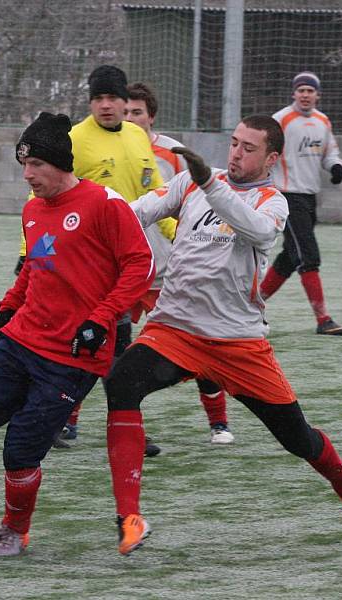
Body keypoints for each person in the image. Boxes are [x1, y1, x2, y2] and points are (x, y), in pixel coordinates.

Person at [103, 115, 342, 556]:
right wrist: (93, 203)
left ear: (271, 158)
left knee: (298, 440)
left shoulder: (274, 202)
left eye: (248, 148)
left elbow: (256, 230)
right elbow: (137, 211)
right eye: (233, 143)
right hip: (174, 329)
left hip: (238, 342)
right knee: (121, 384)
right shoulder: (194, 182)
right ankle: (129, 517)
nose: (236, 153)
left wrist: (209, 186)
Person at [0, 112, 155, 557]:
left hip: (73, 354)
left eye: (36, 166)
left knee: (21, 449)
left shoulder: (105, 204)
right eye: (23, 166)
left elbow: (140, 266)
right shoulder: (32, 209)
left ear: (61, 164)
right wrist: (7, 308)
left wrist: (100, 318)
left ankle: (15, 529)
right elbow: (35, 264)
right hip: (23, 339)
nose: (28, 175)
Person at [19, 66, 166, 452]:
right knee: (75, 345)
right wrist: (27, 255)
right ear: (90, 102)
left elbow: (156, 189)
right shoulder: (75, 139)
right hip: (75, 261)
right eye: (98, 98)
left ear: (125, 101)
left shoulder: (137, 137)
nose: (106, 105)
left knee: (115, 350)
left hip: (122, 263)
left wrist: (174, 233)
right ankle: (58, 421)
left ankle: (122, 427)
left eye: (113, 98)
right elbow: (42, 197)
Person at [125, 81, 234, 445]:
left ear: (151, 116)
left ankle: (218, 422)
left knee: (198, 338)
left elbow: (195, 201)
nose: (129, 118)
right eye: (124, 112)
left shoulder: (172, 153)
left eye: (136, 112)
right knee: (102, 344)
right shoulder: (103, 146)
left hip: (166, 268)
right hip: (122, 268)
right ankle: (71, 422)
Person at [260, 72, 342, 335]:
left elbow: (330, 153)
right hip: (287, 196)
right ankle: (323, 320)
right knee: (308, 256)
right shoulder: (281, 119)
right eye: (301, 90)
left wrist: (336, 166)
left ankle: (251, 305)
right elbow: (264, 149)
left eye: (310, 91)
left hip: (309, 197)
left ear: (317, 95)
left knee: (290, 257)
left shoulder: (322, 121)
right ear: (294, 93)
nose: (306, 95)